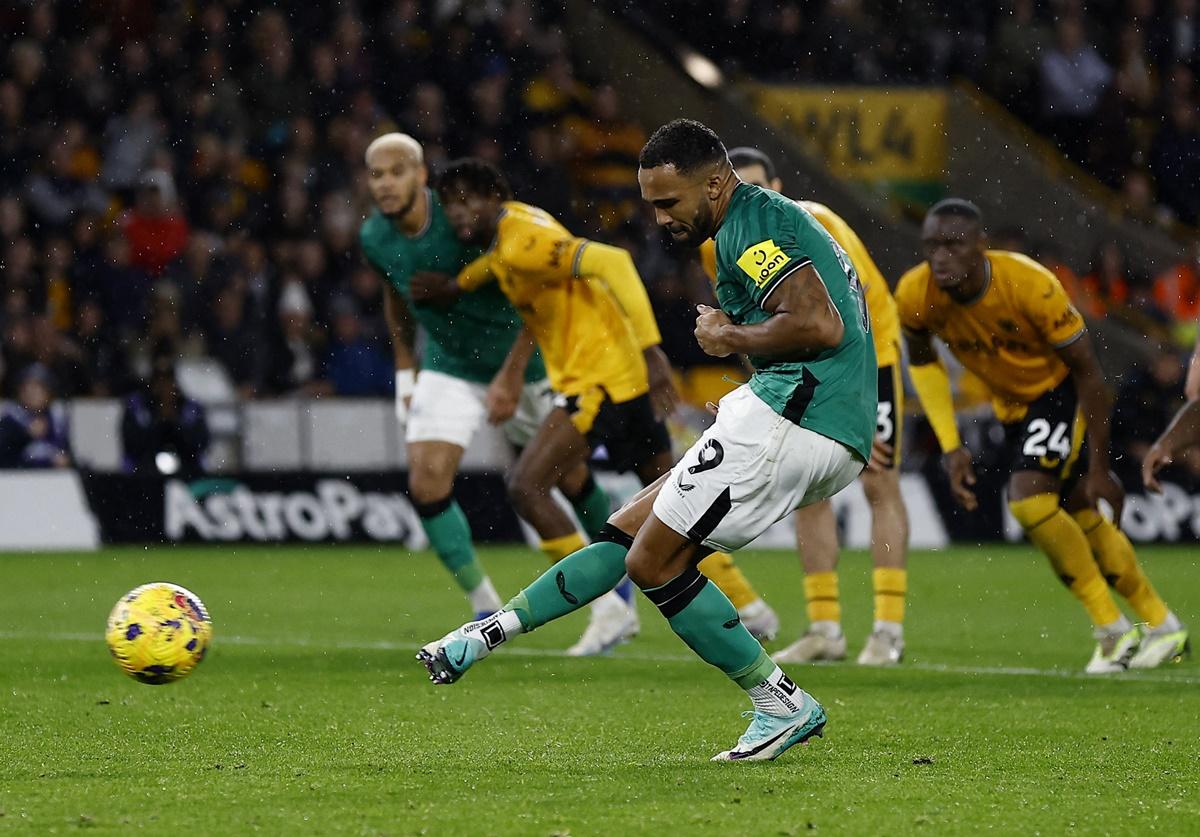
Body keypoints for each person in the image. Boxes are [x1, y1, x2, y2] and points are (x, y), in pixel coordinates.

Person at [418, 119, 876, 762]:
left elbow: (820, 326)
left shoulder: (753, 226)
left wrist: (730, 340)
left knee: (652, 561)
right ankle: (484, 635)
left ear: (716, 184)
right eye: (650, 204)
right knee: (629, 531)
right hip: (799, 411)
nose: (659, 219)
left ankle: (779, 703)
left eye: (669, 202)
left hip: (800, 418)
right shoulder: (747, 225)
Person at [413, 157, 779, 654]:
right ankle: (752, 608)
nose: (458, 214)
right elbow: (499, 265)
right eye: (450, 204)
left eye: (467, 201)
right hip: (621, 378)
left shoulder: (525, 238)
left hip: (601, 382)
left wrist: (653, 352)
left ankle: (607, 611)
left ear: (493, 197)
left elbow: (614, 263)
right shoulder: (513, 234)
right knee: (677, 505)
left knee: (526, 487)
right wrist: (458, 285)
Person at [898, 198, 1187, 672]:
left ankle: (1112, 631)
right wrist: (950, 446)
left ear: (981, 247)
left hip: (1062, 393)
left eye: (954, 245)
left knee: (1029, 500)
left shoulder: (1031, 285)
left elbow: (1091, 374)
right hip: (1013, 409)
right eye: (932, 246)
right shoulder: (915, 294)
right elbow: (924, 362)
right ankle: (1162, 624)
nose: (940, 257)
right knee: (1078, 513)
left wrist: (1099, 467)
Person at [360, 133, 614, 632]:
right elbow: (394, 294)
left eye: (396, 171)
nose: (386, 184)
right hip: (449, 365)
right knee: (426, 480)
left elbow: (535, 293)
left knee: (569, 478)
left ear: (421, 175)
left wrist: (512, 376)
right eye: (375, 174)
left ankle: (620, 579)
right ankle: (483, 604)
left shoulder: (463, 216)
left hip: (526, 362)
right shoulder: (374, 237)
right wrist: (404, 368)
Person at [699, 147, 909, 666]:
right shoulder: (722, 240)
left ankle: (887, 630)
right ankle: (825, 628)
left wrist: (860, 396)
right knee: (808, 489)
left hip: (865, 355)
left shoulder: (817, 221)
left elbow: (855, 301)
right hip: (799, 361)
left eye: (756, 187)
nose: (745, 201)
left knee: (879, 481)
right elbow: (753, 326)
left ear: (777, 183)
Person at [121, 361, 209, 479]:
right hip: (146, 472)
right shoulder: (138, 406)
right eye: (160, 381)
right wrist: (158, 421)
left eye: (168, 381)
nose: (164, 387)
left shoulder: (190, 408)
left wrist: (175, 422)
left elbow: (201, 441)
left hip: (185, 469)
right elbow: (131, 442)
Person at [0, 364, 71, 469]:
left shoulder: (57, 417)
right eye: (26, 389)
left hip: (52, 479)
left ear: (48, 392)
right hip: (17, 478)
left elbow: (67, 451)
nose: (31, 394)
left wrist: (66, 460)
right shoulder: (10, 417)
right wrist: (25, 435)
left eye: (37, 388)